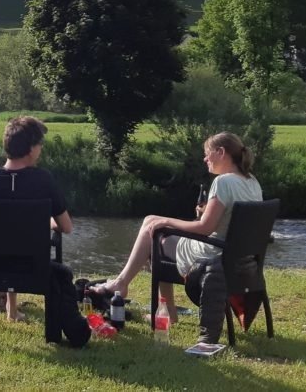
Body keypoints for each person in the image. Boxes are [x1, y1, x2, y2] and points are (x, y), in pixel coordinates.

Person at [89, 132, 263, 322]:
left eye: (207, 153)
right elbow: (231, 220)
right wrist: (207, 211)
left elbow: (204, 228)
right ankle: (125, 286)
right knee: (150, 221)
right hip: (240, 258)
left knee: (156, 237)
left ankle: (143, 297)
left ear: (221, 152)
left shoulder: (223, 182)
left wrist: (167, 222)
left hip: (214, 257)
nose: (205, 159)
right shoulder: (251, 181)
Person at [0, 115, 74, 322]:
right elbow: (66, 227)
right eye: (40, 144)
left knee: (8, 240)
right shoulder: (44, 181)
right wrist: (47, 222)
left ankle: (12, 310)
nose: (41, 148)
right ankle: (13, 311)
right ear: (31, 149)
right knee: (19, 245)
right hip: (33, 268)